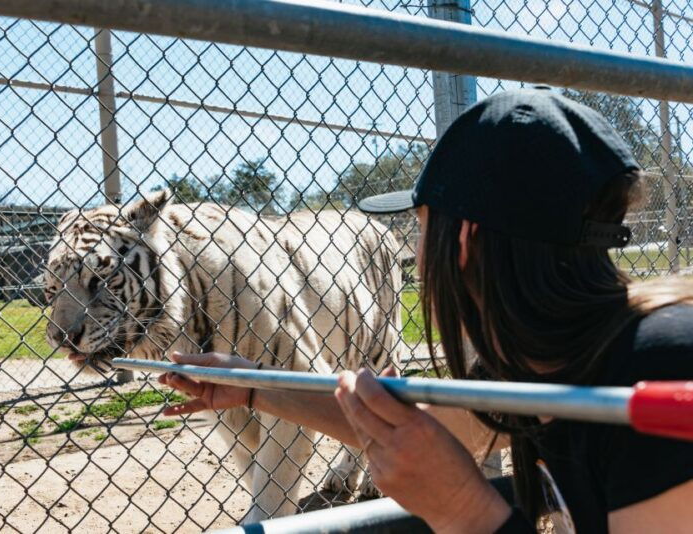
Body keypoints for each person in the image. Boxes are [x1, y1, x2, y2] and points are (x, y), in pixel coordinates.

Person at [157, 88, 693, 533]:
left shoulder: (661, 368)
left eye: (419, 228)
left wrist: (463, 509)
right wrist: (254, 386)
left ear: (462, 240)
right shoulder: (558, 357)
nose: (415, 254)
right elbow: (416, 429)